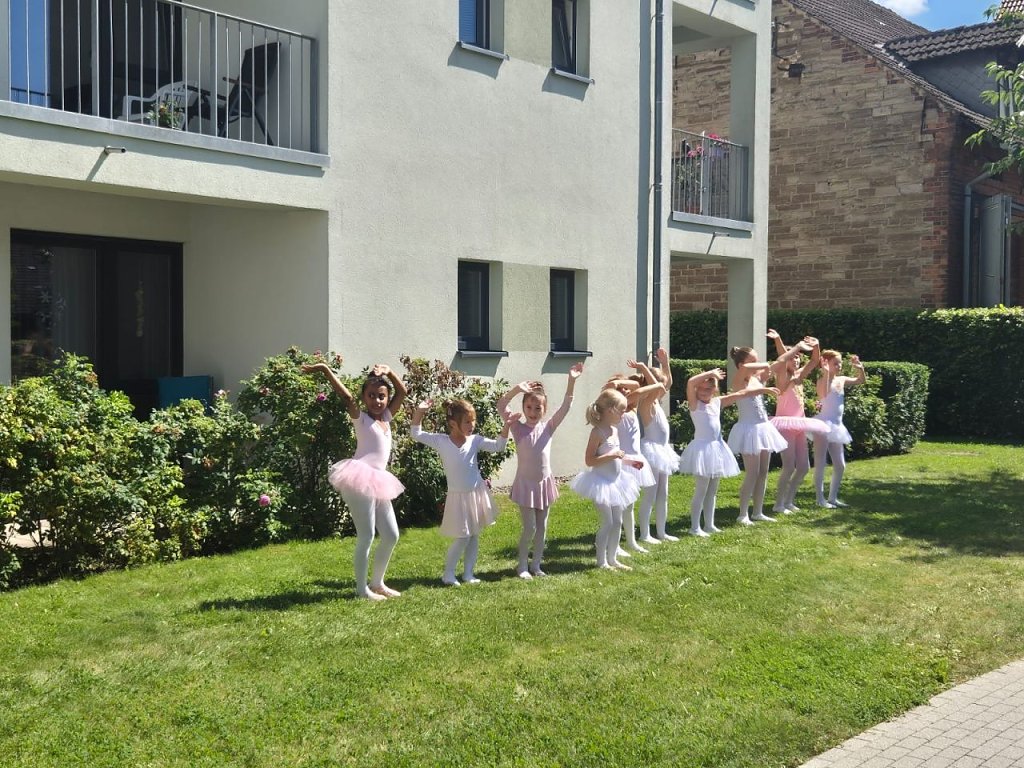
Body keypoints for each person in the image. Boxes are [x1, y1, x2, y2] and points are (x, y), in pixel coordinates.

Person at [302, 359, 408, 601]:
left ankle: (377, 583)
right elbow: (346, 397)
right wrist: (325, 369)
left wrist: (389, 371)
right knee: (366, 536)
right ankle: (362, 590)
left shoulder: (387, 417)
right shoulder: (361, 418)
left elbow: (402, 392)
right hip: (359, 478)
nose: (377, 401)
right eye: (371, 396)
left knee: (391, 535)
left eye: (381, 396)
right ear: (363, 397)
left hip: (379, 481)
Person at [410, 398, 517, 586]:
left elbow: (498, 447)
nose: (472, 425)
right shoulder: (441, 441)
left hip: (475, 493)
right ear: (453, 424)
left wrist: (507, 426)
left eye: (473, 420)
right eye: (467, 421)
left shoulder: (475, 441)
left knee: (473, 535)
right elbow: (416, 433)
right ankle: (448, 574)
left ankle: (468, 574)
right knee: (463, 536)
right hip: (457, 497)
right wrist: (419, 412)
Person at [497, 363, 584, 579]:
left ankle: (536, 565)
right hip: (525, 484)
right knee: (530, 528)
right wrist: (517, 389)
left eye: (538, 408)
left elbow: (566, 406)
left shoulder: (548, 427)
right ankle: (522, 566)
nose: (533, 412)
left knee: (542, 528)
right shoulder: (517, 427)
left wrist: (571, 380)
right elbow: (501, 405)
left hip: (544, 484)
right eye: (529, 407)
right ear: (523, 407)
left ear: (544, 410)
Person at [679, 368, 778, 536]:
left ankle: (709, 524)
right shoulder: (695, 405)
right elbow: (690, 382)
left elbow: (741, 394)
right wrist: (710, 373)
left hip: (717, 448)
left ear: (715, 390)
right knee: (701, 489)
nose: (703, 392)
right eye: (700, 388)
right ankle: (695, 527)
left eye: (708, 389)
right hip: (703, 450)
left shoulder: (717, 402)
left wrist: (764, 390)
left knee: (713, 490)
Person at [569, 388, 643, 570]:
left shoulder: (614, 430)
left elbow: (617, 456)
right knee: (608, 522)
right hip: (600, 483)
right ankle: (601, 561)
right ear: (610, 411)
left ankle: (613, 558)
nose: (624, 414)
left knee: (618, 522)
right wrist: (612, 455)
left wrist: (630, 462)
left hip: (616, 483)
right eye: (622, 410)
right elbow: (590, 460)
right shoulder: (597, 433)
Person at [726, 344, 792, 525]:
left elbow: (780, 361)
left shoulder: (757, 378)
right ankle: (742, 514)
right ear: (741, 365)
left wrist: (797, 347)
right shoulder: (738, 380)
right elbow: (747, 373)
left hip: (763, 429)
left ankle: (757, 512)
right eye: (754, 360)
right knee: (752, 473)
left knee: (763, 472)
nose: (758, 363)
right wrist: (764, 368)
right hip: (748, 430)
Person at [766, 330, 829, 513]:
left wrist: (816, 345)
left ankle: (788, 501)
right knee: (788, 466)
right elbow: (783, 359)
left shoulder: (799, 376)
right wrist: (778, 340)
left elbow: (814, 361)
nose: (796, 360)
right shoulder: (783, 377)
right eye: (793, 357)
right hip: (785, 426)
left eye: (798, 358)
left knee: (803, 467)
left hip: (799, 425)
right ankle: (778, 504)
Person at [605, 364, 662, 554]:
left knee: (629, 504)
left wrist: (621, 382)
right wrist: (616, 385)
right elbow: (634, 390)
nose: (624, 392)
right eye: (619, 390)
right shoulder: (613, 410)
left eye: (625, 389)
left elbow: (644, 387)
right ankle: (615, 544)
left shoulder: (633, 408)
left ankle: (631, 541)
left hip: (635, 459)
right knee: (618, 505)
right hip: (620, 461)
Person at [637, 348, 682, 543]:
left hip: (662, 450)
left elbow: (667, 383)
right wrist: (644, 369)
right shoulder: (645, 404)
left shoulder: (656, 402)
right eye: (659, 384)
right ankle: (645, 533)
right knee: (651, 493)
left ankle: (662, 531)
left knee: (663, 493)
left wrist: (665, 363)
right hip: (651, 450)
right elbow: (659, 387)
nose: (664, 388)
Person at [812, 350, 866, 508]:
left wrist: (860, 368)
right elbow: (823, 394)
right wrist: (826, 373)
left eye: (840, 362)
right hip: (823, 425)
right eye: (835, 363)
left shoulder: (841, 379)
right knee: (820, 462)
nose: (839, 365)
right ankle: (820, 499)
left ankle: (832, 498)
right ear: (825, 363)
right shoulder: (822, 378)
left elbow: (860, 381)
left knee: (840, 465)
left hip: (837, 426)